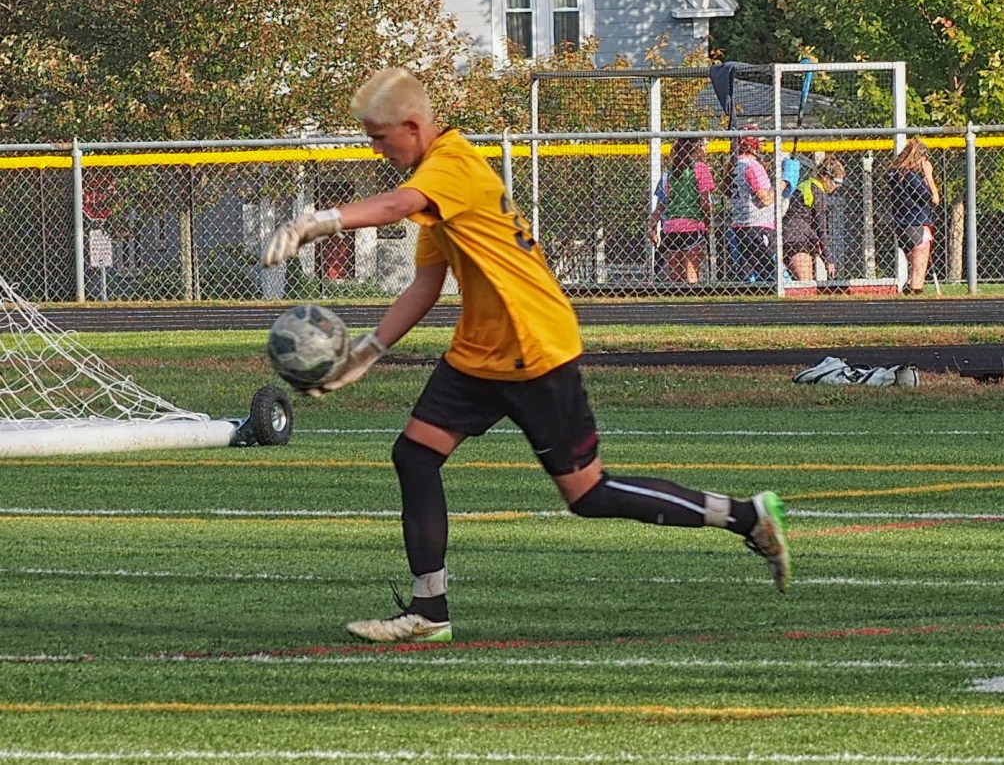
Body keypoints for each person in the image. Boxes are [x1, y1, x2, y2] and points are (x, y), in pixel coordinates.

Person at [261, 67, 792, 643]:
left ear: (412, 126)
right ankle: (429, 610)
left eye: (379, 137)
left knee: (587, 494)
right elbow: (426, 285)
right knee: (414, 457)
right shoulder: (435, 182)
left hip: (532, 345)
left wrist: (321, 221)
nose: (375, 149)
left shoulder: (451, 167)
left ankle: (747, 516)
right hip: (481, 349)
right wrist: (367, 352)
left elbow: (394, 205)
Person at [647, 137, 714, 284]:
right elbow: (705, 203)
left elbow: (662, 204)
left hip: (671, 228)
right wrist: (708, 223)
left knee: (675, 278)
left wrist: (651, 226)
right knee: (691, 276)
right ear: (697, 148)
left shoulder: (671, 172)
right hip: (692, 226)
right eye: (704, 146)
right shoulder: (701, 168)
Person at [886, 137, 941, 294]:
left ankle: (909, 292)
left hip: (901, 225)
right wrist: (929, 176)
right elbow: (934, 199)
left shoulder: (895, 175)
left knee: (912, 268)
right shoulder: (912, 176)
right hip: (917, 224)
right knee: (918, 270)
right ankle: (916, 293)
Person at [782, 155, 845, 282]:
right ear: (825, 177)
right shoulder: (817, 192)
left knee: (803, 283)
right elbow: (821, 228)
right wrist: (829, 260)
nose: (838, 186)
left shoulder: (807, 183)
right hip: (796, 239)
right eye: (836, 182)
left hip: (795, 236)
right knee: (806, 284)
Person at [728, 127, 776, 282]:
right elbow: (765, 199)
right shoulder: (752, 166)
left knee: (748, 274)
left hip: (740, 226)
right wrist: (782, 183)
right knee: (771, 271)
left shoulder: (734, 166)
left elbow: (727, 191)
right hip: (757, 226)